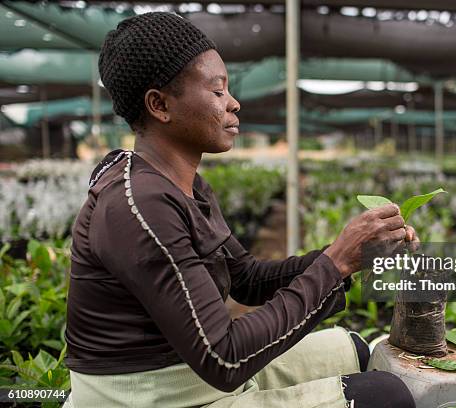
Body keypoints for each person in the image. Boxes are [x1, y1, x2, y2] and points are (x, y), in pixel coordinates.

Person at [63, 12, 417, 408]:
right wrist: (334, 264)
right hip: (150, 394)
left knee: (356, 349)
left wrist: (352, 254)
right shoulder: (137, 206)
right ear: (159, 105)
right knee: (385, 396)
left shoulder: (185, 186)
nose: (234, 103)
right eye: (217, 91)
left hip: (189, 372)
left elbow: (246, 278)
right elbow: (224, 358)